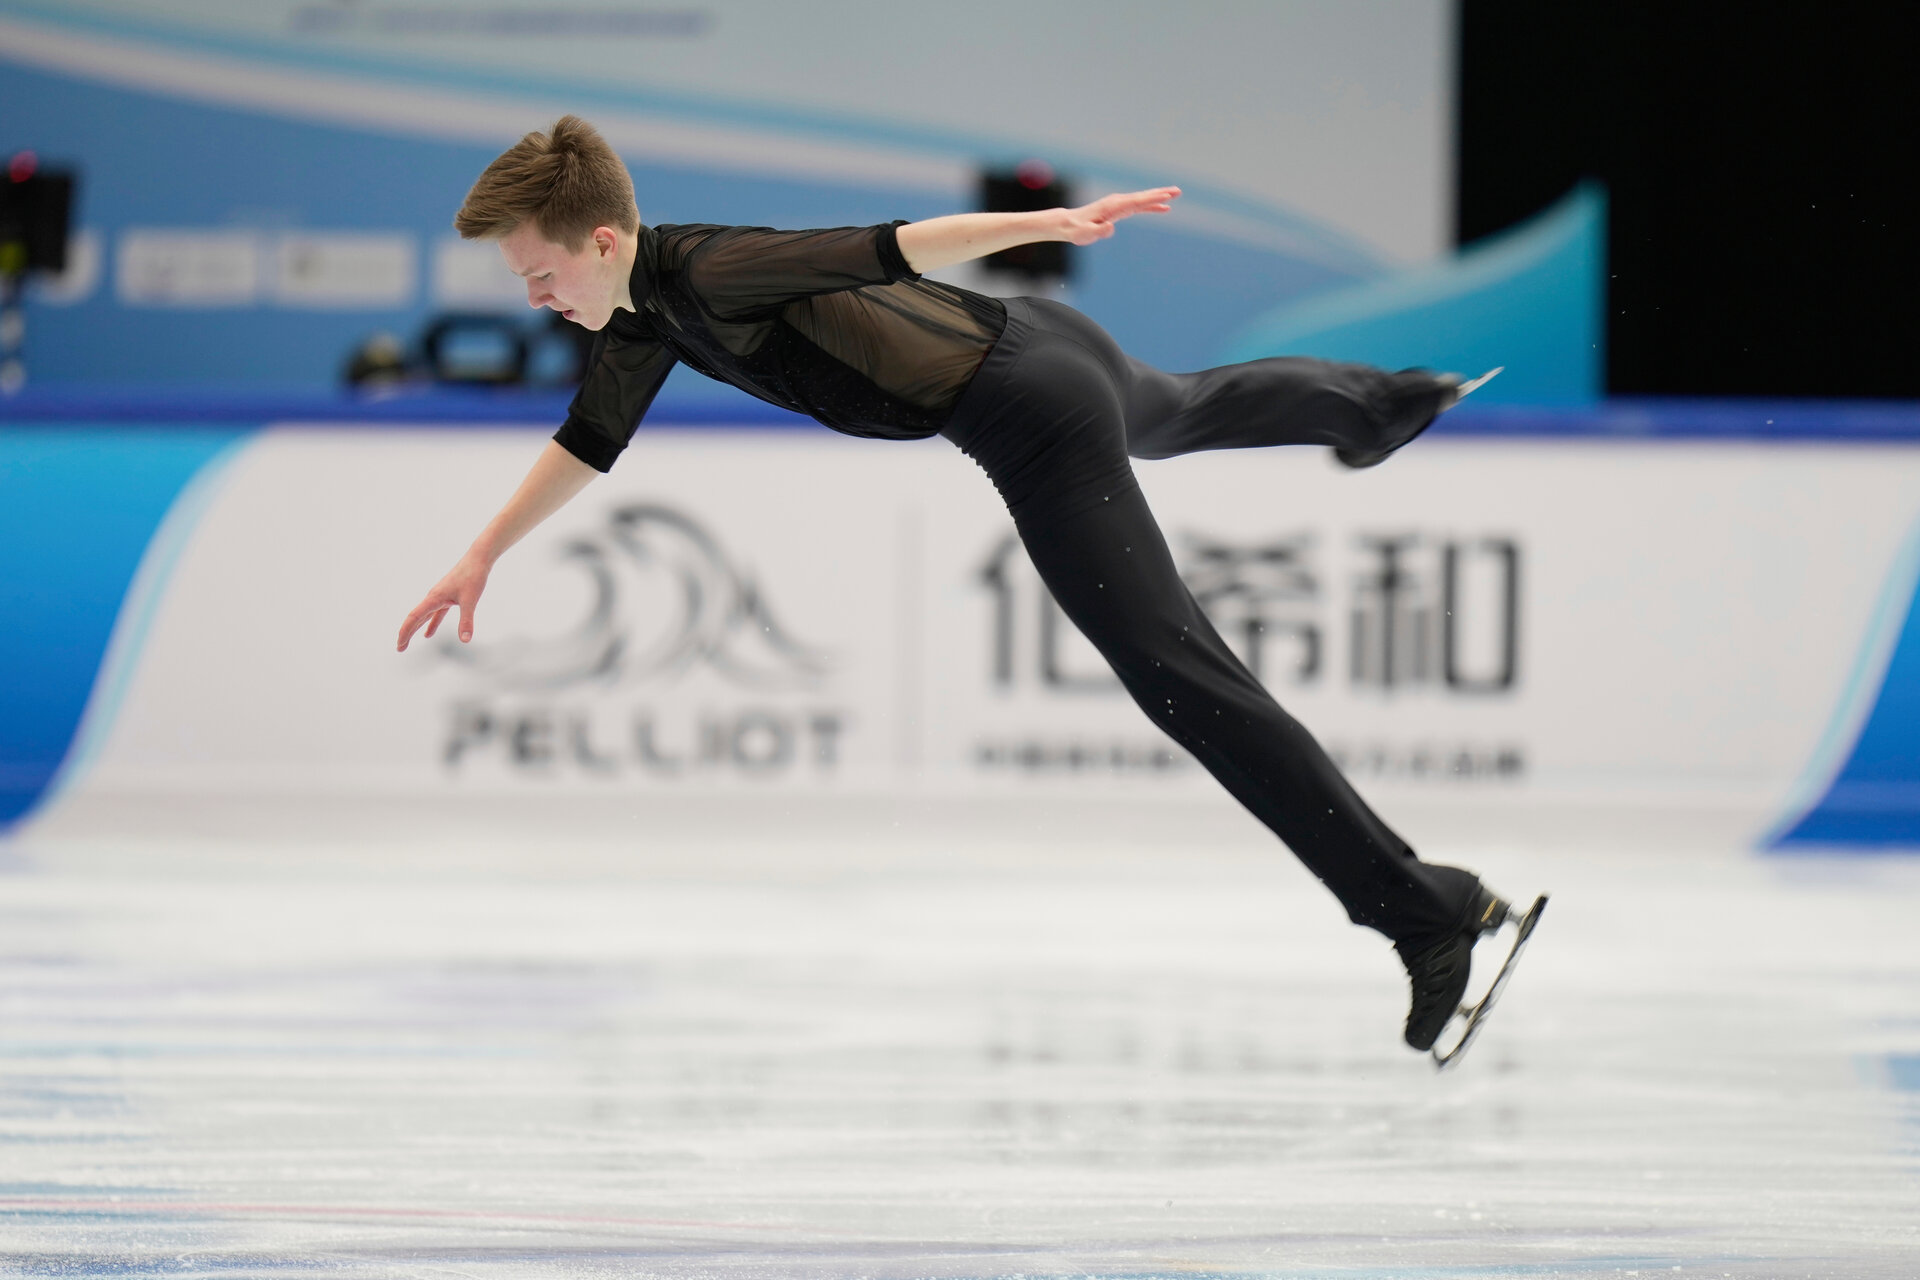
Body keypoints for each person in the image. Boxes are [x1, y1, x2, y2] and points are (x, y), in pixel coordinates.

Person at [396, 116, 1520, 1056]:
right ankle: (1382, 405)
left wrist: (1050, 223)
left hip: (1030, 412)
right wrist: (483, 553)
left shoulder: (707, 270)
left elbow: (885, 248)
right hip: (1040, 342)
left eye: (539, 275)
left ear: (601, 241)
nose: (535, 299)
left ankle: (1427, 911)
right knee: (1183, 408)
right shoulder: (643, 315)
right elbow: (590, 437)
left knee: (1180, 676)